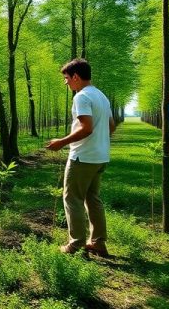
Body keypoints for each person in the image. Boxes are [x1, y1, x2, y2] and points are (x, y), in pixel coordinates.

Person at [46, 58, 114, 256]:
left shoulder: (81, 97)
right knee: (93, 199)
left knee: (72, 199)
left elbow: (86, 128)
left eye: (66, 78)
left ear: (76, 76)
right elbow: (110, 126)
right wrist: (99, 143)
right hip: (100, 156)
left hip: (82, 157)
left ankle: (75, 245)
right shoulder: (101, 96)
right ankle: (99, 242)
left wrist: (62, 142)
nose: (66, 83)